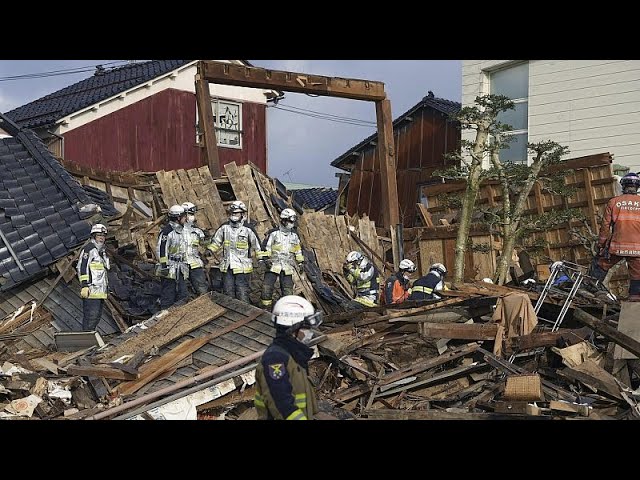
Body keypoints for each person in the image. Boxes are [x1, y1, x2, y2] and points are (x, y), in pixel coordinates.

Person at [254, 295, 322, 420]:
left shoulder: (293, 355)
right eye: (306, 328)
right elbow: (282, 406)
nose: (310, 333)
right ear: (293, 329)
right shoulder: (275, 359)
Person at [590, 172, 640, 301]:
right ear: (637, 187)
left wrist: (601, 245)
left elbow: (605, 227)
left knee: (600, 264)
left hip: (616, 246)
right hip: (637, 248)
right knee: (637, 274)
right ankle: (634, 299)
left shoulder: (614, 202)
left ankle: (591, 288)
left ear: (623, 186)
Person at [207, 200, 261, 304]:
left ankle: (245, 313)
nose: (233, 215)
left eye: (236, 213)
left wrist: (262, 259)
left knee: (242, 291)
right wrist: (210, 250)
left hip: (243, 267)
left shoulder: (248, 229)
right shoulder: (224, 227)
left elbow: (257, 247)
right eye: (232, 213)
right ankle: (231, 314)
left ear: (242, 214)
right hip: (227, 266)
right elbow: (216, 242)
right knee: (228, 291)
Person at [259, 208, 305, 309]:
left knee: (287, 290)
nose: (291, 223)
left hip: (287, 267)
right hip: (273, 265)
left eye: (293, 221)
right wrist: (265, 260)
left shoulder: (294, 236)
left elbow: (298, 250)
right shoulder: (273, 233)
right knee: (267, 288)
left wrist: (301, 262)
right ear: (283, 220)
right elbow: (265, 247)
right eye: (289, 221)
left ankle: (286, 310)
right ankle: (266, 308)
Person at [77, 223, 110, 331]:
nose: (101, 238)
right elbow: (82, 267)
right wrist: (84, 285)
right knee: (90, 317)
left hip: (100, 292)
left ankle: (89, 340)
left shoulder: (102, 251)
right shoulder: (89, 249)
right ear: (93, 236)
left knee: (96, 317)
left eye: (103, 235)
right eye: (99, 235)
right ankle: (86, 341)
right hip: (91, 291)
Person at [156, 204, 189, 309]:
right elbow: (161, 250)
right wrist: (164, 266)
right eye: (184, 217)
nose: (186, 219)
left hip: (181, 267)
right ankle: (164, 318)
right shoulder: (167, 232)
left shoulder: (183, 230)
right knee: (168, 295)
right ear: (178, 218)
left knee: (183, 295)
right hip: (169, 268)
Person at [181, 201, 209, 295]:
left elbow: (205, 244)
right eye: (191, 214)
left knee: (202, 289)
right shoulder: (173, 231)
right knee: (183, 291)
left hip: (195, 264)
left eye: (193, 214)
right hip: (180, 265)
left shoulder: (197, 231)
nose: (193, 216)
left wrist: (208, 238)